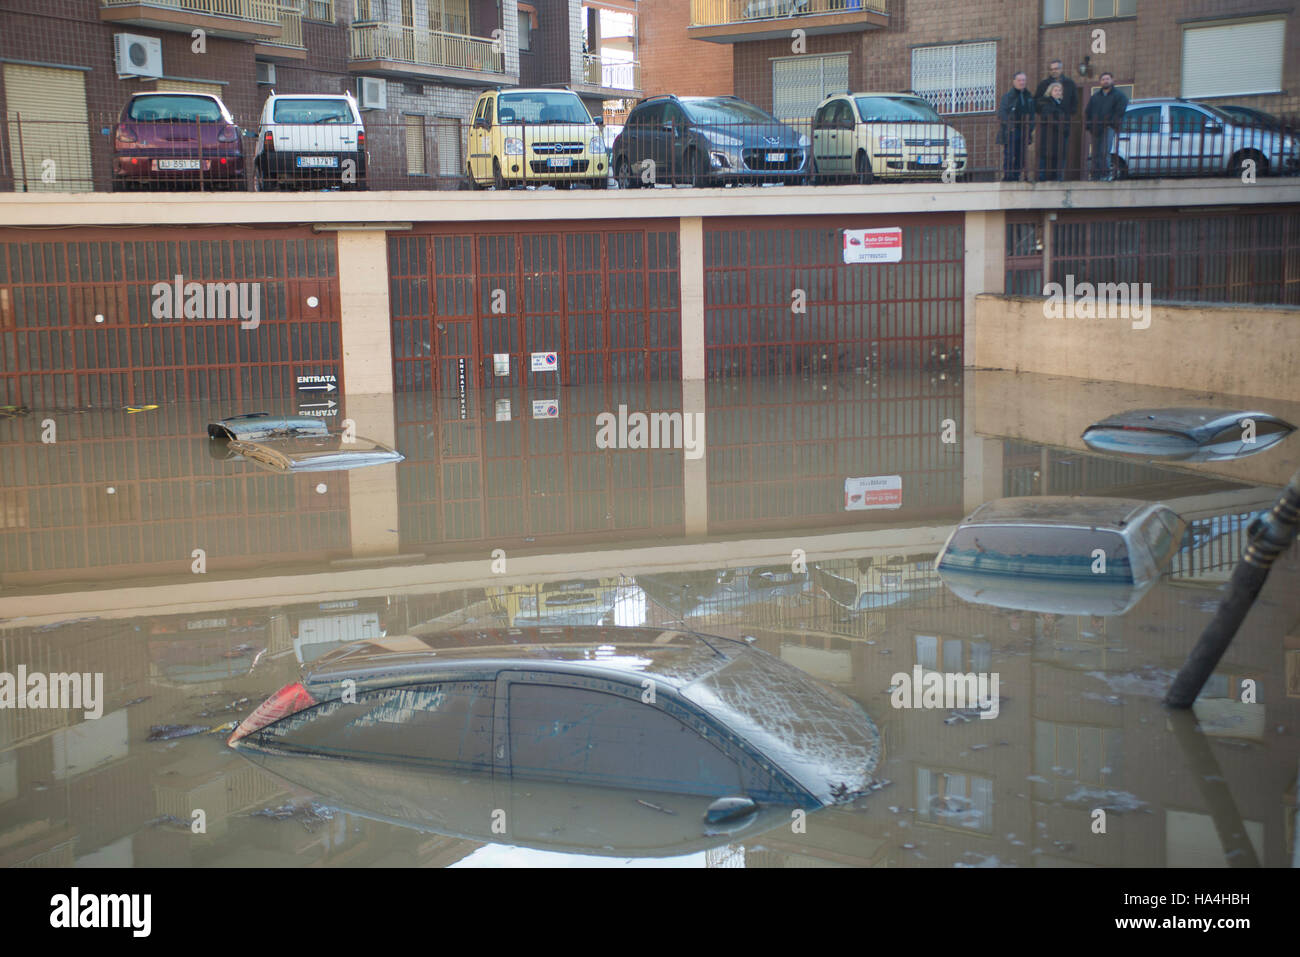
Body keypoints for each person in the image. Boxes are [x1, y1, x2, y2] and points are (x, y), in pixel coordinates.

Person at [1034, 59, 1078, 179]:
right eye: (1052, 69)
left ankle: (1058, 177)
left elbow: (1075, 103)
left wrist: (1065, 114)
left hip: (1063, 125)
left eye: (1056, 68)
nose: (1054, 71)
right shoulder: (1043, 84)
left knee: (1060, 153)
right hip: (1048, 127)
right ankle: (1042, 178)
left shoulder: (1070, 84)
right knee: (1045, 154)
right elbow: (1036, 103)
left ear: (1061, 69)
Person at [1084, 72, 1127, 180]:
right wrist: (1089, 125)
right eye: (1103, 79)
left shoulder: (1119, 96)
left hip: (1109, 127)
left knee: (1104, 152)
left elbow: (1120, 111)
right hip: (1095, 128)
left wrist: (1111, 123)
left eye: (1107, 79)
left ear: (1112, 80)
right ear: (1100, 82)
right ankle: (1095, 175)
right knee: (1095, 153)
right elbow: (1088, 111)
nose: (1105, 81)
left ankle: (1104, 175)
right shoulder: (1095, 97)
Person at [998, 72, 1035, 182]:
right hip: (1011, 130)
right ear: (1014, 82)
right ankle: (1008, 176)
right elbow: (1002, 113)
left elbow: (1032, 114)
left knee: (1021, 155)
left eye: (1023, 80)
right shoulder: (1008, 96)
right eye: (1019, 80)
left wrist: (1030, 128)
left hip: (1024, 130)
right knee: (1009, 154)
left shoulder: (1028, 96)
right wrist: (1011, 127)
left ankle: (1016, 176)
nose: (1021, 82)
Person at [1038, 81, 1071, 181]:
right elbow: (1048, 118)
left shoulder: (1062, 105)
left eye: (1060, 90)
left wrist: (1065, 129)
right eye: (1055, 90)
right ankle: (1043, 178)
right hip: (1050, 137)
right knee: (1047, 158)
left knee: (1059, 158)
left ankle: (1057, 178)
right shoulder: (1047, 103)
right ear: (1050, 92)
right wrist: (1061, 127)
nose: (1058, 92)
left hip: (1060, 138)